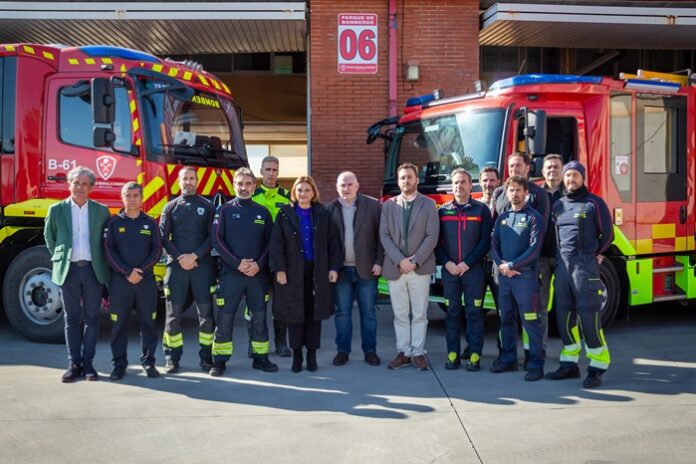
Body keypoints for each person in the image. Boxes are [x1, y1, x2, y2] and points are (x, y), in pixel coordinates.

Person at [546, 161, 613, 389]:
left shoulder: (595, 203)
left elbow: (608, 235)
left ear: (582, 177)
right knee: (564, 319)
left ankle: (597, 366)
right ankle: (569, 364)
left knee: (588, 319)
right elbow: (556, 236)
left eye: (575, 175)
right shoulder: (558, 206)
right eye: (567, 175)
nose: (570, 179)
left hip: (585, 269)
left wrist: (595, 253)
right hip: (563, 268)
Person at [44, 166, 110, 382]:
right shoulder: (57, 210)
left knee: (92, 319)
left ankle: (89, 365)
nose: (80, 187)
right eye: (76, 182)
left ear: (91, 187)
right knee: (71, 319)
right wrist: (61, 258)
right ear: (69, 184)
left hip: (93, 270)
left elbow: (106, 240)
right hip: (68, 271)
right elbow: (50, 236)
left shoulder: (101, 211)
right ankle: (74, 364)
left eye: (84, 184)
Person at [210, 168, 278, 376]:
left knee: (259, 317)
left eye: (248, 184)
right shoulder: (224, 211)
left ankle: (260, 358)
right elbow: (216, 241)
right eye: (240, 183)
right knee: (225, 318)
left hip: (257, 275)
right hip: (231, 275)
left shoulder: (262, 212)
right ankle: (219, 361)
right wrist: (237, 264)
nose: (244, 187)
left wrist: (258, 264)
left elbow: (270, 243)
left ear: (254, 186)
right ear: (234, 185)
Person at [270, 175, 342, 372]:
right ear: (294, 192)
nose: (303, 194)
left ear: (313, 193)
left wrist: (334, 268)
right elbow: (276, 245)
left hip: (317, 271)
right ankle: (296, 356)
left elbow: (333, 244)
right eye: (299, 190)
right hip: (292, 272)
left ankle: (311, 356)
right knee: (295, 314)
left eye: (307, 190)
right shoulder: (284, 214)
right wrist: (280, 269)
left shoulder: (323, 214)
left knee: (313, 314)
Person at [493, 152, 550, 368]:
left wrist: (513, 265)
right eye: (511, 190)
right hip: (505, 277)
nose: (514, 193)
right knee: (506, 319)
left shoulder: (533, 215)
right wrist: (501, 265)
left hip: (525, 276)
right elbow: (494, 243)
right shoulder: (503, 217)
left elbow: (535, 247)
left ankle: (535, 362)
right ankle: (508, 359)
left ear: (526, 193)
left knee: (530, 320)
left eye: (518, 190)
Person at [379, 162, 439, 371]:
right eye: (402, 177)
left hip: (419, 268)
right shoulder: (388, 206)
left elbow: (432, 236)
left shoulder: (429, 205)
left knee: (420, 313)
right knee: (400, 314)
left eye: (409, 177)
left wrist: (413, 261)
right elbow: (384, 236)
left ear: (417, 179)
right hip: (396, 268)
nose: (406, 181)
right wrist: (400, 260)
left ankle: (418, 352)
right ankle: (403, 352)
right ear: (398, 181)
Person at [159, 166, 216, 374]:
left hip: (202, 267)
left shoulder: (208, 206)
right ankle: (171, 358)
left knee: (206, 314)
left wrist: (195, 256)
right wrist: (181, 257)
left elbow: (213, 237)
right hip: (177, 267)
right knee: (172, 315)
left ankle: (206, 359)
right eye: (185, 179)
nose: (189, 182)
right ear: (179, 182)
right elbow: (163, 237)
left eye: (192, 178)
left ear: (197, 181)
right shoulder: (170, 207)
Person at [104, 182, 162, 380]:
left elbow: (157, 250)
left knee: (148, 323)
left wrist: (142, 271)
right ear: (122, 197)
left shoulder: (151, 223)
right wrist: (127, 272)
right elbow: (108, 251)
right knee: (119, 325)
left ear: (141, 198)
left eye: (135, 195)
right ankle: (119, 365)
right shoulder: (113, 223)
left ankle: (149, 363)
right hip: (120, 283)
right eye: (128, 195)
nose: (132, 199)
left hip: (145, 283)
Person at [436, 168, 492, 371]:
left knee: (474, 313)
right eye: (456, 182)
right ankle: (453, 355)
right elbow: (436, 242)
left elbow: (485, 241)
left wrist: (467, 263)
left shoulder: (481, 210)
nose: (459, 186)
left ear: (471, 185)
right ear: (452, 186)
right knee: (451, 313)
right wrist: (447, 263)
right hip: (449, 271)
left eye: (463, 182)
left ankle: (475, 355)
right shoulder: (442, 211)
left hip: (473, 271)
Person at [326, 171, 384, 367]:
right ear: (337, 187)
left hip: (367, 270)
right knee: (342, 312)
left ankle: (370, 351)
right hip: (341, 271)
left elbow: (381, 237)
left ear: (357, 186)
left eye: (350, 184)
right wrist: (330, 267)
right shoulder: (329, 209)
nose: (346, 188)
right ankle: (342, 351)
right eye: (342, 184)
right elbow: (326, 243)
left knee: (368, 312)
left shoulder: (373, 206)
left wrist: (379, 261)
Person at [251, 155, 292, 357]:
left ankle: (281, 342)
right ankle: (254, 342)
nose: (271, 173)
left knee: (281, 302)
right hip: (257, 258)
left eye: (274, 170)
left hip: (279, 259)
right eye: (267, 169)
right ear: (261, 171)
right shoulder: (253, 195)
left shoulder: (286, 197)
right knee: (255, 302)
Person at [539, 154, 565, 316]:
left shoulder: (570, 194)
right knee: (540, 304)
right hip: (540, 257)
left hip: (564, 258)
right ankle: (539, 341)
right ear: (543, 171)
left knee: (566, 302)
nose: (552, 170)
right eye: (549, 167)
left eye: (556, 167)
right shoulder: (535, 195)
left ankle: (570, 340)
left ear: (562, 170)